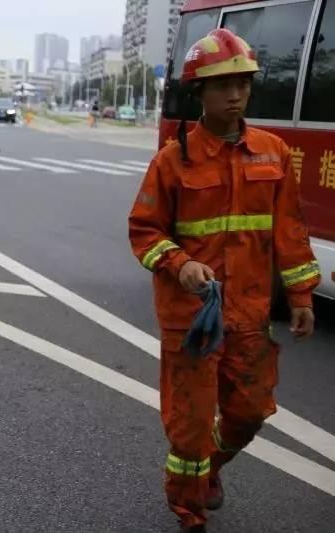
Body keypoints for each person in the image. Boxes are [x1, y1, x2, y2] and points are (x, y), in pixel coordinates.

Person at [127, 28, 320, 533]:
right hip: (192, 320)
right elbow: (144, 231)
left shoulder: (273, 153)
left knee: (252, 411)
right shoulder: (173, 161)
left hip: (250, 314)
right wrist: (180, 263)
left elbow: (291, 232)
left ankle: (210, 469)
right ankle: (187, 510)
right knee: (190, 430)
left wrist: (301, 294)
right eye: (222, 85)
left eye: (243, 84)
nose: (234, 94)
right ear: (200, 93)